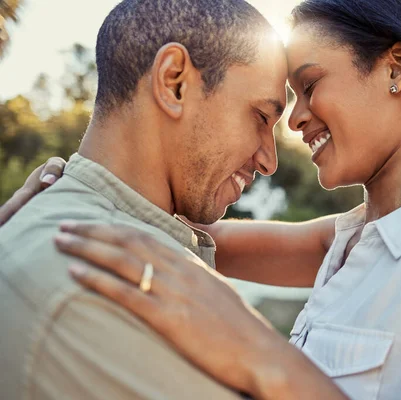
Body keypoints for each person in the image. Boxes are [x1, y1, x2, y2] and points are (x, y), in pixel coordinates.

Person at [3, 0, 401, 400]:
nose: (296, 121)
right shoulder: (344, 242)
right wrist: (62, 186)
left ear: (395, 68)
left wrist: (265, 357)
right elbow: (162, 226)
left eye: (310, 86)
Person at [0, 0, 320, 398]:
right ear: (174, 82)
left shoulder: (69, 233)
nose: (269, 160)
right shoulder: (100, 288)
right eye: (260, 116)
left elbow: (335, 241)